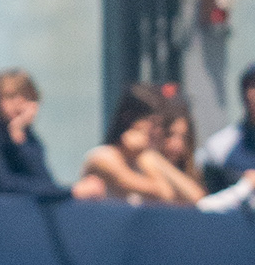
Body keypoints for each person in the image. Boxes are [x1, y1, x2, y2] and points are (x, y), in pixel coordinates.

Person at [72, 84, 203, 204]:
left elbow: (195, 196)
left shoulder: (142, 161)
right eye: (153, 124)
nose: (158, 132)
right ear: (130, 120)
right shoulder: (103, 157)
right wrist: (148, 154)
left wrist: (148, 154)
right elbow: (163, 193)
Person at [0, 69, 56, 193]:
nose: (19, 103)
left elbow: (46, 182)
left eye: (26, 96)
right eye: (10, 96)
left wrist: (19, 137)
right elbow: (0, 182)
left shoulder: (25, 136)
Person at [199, 63, 255, 191]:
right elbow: (210, 202)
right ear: (244, 94)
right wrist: (245, 186)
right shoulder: (219, 146)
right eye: (253, 85)